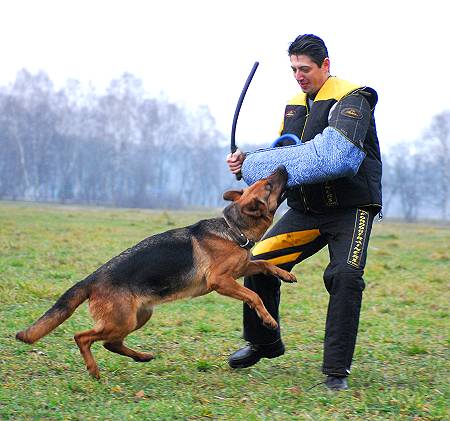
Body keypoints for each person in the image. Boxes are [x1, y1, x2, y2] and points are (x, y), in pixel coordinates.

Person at [226, 34, 382, 391]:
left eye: (305, 68)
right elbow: (283, 156)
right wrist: (246, 162)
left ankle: (336, 372)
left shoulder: (353, 97)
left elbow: (332, 159)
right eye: (293, 68)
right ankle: (263, 343)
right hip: (307, 211)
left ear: (326, 65)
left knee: (344, 276)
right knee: (258, 262)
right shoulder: (294, 105)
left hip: (351, 210)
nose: (298, 75)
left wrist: (256, 163)